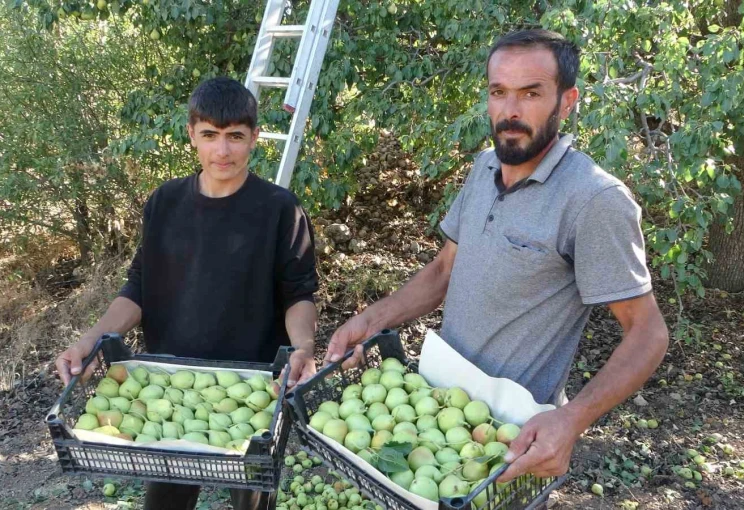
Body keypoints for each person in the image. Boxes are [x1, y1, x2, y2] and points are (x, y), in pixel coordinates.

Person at [325, 29, 669, 485]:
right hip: (435, 417)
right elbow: (444, 270)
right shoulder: (485, 166)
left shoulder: (595, 200)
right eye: (498, 92)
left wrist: (572, 420)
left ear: (567, 102)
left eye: (530, 93)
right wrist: (371, 322)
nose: (510, 111)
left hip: (508, 446)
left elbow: (648, 332)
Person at [55, 77, 319, 510]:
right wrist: (93, 337)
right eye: (210, 135)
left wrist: (304, 348)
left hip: (252, 389)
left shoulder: (279, 210)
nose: (222, 151)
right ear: (191, 133)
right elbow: (139, 285)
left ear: (255, 137)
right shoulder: (164, 203)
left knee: (252, 501)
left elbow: (298, 293)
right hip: (169, 385)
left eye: (235, 136)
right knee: (165, 502)